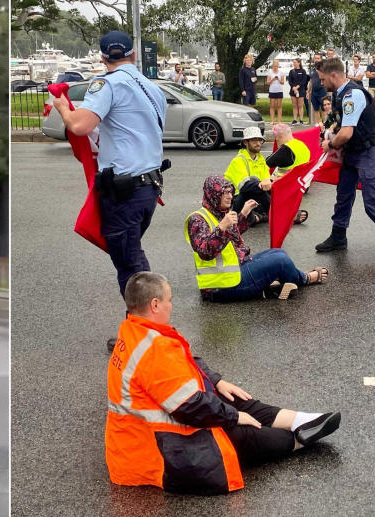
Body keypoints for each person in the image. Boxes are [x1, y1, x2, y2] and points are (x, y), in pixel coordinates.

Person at [106, 272, 342, 494]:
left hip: (157, 426)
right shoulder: (154, 348)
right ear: (155, 305)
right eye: (170, 300)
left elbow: (188, 362)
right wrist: (234, 416)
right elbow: (191, 406)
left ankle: (301, 420)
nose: (172, 305)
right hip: (163, 444)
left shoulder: (136, 330)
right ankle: (299, 438)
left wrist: (216, 381)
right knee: (249, 434)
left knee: (236, 399)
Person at [51, 31, 167, 327]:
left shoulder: (107, 84)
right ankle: (144, 327)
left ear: (102, 58)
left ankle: (148, 332)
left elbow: (80, 126)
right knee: (132, 254)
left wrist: (62, 105)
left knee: (131, 268)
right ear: (134, 55)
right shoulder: (151, 89)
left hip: (124, 192)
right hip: (149, 187)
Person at [185, 176, 327, 302]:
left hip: (236, 271)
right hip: (221, 287)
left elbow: (230, 237)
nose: (229, 196)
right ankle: (305, 278)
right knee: (281, 261)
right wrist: (222, 228)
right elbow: (205, 252)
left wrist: (243, 215)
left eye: (230, 192)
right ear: (213, 194)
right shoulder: (197, 220)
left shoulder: (218, 212)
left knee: (278, 252)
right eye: (224, 193)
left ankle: (275, 285)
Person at [315, 57, 375, 259]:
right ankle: (338, 237)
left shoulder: (352, 95)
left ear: (333, 75)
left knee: (371, 198)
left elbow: (345, 133)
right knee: (343, 193)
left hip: (370, 149)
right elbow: (339, 124)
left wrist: (330, 143)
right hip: (353, 151)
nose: (321, 83)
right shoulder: (339, 95)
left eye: (322, 79)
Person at [223, 127, 272, 225]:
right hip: (236, 200)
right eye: (254, 140)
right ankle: (277, 215)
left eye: (260, 140)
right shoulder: (238, 160)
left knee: (274, 188)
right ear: (245, 142)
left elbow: (267, 184)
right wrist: (260, 185)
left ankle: (261, 217)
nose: (258, 143)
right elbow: (244, 187)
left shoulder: (261, 160)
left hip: (254, 199)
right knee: (254, 183)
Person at [287, 58, 309, 125]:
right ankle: (294, 119)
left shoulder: (303, 71)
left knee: (300, 105)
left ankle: (301, 120)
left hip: (301, 90)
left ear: (299, 63)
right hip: (293, 90)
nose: (294, 63)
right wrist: (293, 87)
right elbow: (290, 81)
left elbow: (304, 80)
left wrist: (297, 87)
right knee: (294, 106)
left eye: (295, 62)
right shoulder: (291, 71)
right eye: (293, 62)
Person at [308, 53, 327, 125]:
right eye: (315, 58)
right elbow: (311, 81)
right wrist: (308, 91)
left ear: (321, 59)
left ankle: (324, 124)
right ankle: (317, 124)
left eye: (318, 58)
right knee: (315, 109)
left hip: (322, 91)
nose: (316, 60)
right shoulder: (312, 69)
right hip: (314, 92)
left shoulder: (323, 68)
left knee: (323, 109)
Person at [266, 60, 286, 124]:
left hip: (279, 90)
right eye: (274, 66)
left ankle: (279, 121)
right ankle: (272, 120)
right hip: (272, 91)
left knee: (279, 106)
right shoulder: (270, 72)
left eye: (277, 66)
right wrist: (272, 79)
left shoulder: (281, 72)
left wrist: (279, 80)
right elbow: (268, 82)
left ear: (278, 66)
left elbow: (283, 83)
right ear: (272, 66)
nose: (275, 67)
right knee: (272, 106)